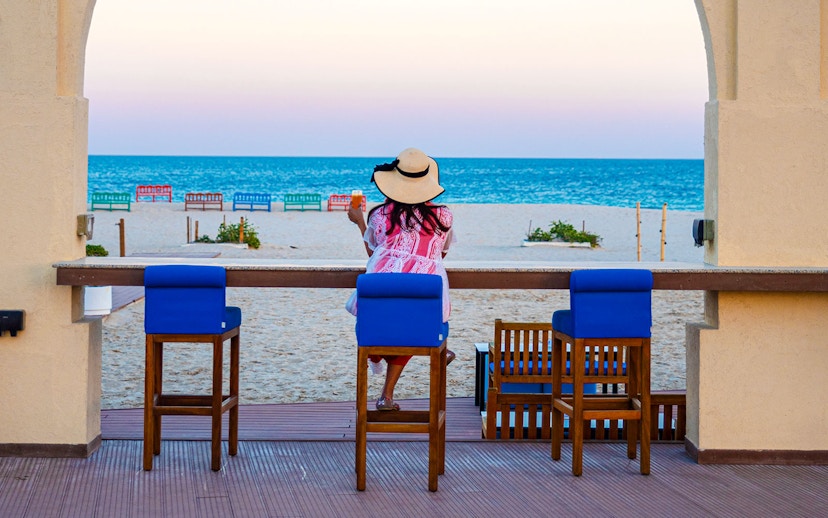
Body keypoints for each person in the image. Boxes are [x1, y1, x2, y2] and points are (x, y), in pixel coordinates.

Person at [346, 147, 456, 411]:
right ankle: (438, 350)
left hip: (380, 311)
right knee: (413, 322)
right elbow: (441, 253)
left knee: (390, 324)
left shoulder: (380, 216)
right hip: (423, 310)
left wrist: (360, 222)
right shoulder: (444, 216)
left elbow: (374, 253)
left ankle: (384, 384)